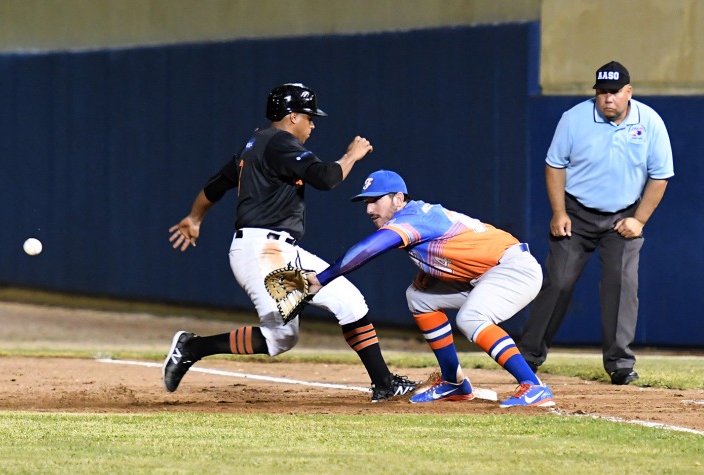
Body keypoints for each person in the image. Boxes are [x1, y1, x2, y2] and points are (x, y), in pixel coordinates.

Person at [163, 83, 417, 402]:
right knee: (280, 336)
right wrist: (352, 155)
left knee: (341, 306)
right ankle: (192, 347)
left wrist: (194, 217)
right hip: (264, 252)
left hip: (276, 250)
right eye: (309, 117)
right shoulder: (279, 143)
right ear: (292, 116)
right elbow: (326, 178)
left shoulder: (255, 144)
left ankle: (384, 384)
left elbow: (216, 186)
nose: (312, 124)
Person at [306, 170, 555, 407]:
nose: (369, 209)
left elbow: (368, 250)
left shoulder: (412, 218)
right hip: (487, 275)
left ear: (399, 199)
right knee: (419, 297)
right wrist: (428, 271)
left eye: (375, 200)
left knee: (471, 318)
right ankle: (453, 382)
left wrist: (322, 278)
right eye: (365, 202)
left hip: (513, 269)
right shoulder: (417, 215)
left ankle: (533, 387)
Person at [518, 61, 674, 385]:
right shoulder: (574, 119)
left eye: (614, 92)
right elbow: (554, 165)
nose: (607, 99)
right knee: (559, 282)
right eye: (601, 92)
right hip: (576, 213)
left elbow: (660, 176)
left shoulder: (651, 122)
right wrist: (559, 212)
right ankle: (528, 357)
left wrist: (639, 220)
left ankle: (619, 364)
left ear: (628, 92)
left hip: (624, 216)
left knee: (621, 284)